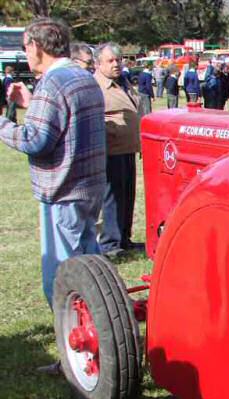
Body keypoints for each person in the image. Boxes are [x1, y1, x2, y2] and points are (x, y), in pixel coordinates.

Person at [0, 18, 105, 324]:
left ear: (37, 46)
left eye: (25, 47)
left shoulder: (52, 82)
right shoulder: (83, 77)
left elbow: (36, 140)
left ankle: (79, 352)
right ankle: (103, 340)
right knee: (91, 276)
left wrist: (3, 124)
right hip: (90, 188)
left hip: (62, 192)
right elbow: (66, 126)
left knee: (63, 281)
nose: (26, 54)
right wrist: (34, 104)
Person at [94, 42, 142, 257]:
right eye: (110, 61)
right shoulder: (96, 86)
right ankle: (110, 244)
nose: (116, 64)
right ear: (98, 64)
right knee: (112, 198)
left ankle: (124, 237)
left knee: (128, 195)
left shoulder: (124, 82)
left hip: (128, 148)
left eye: (118, 60)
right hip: (111, 150)